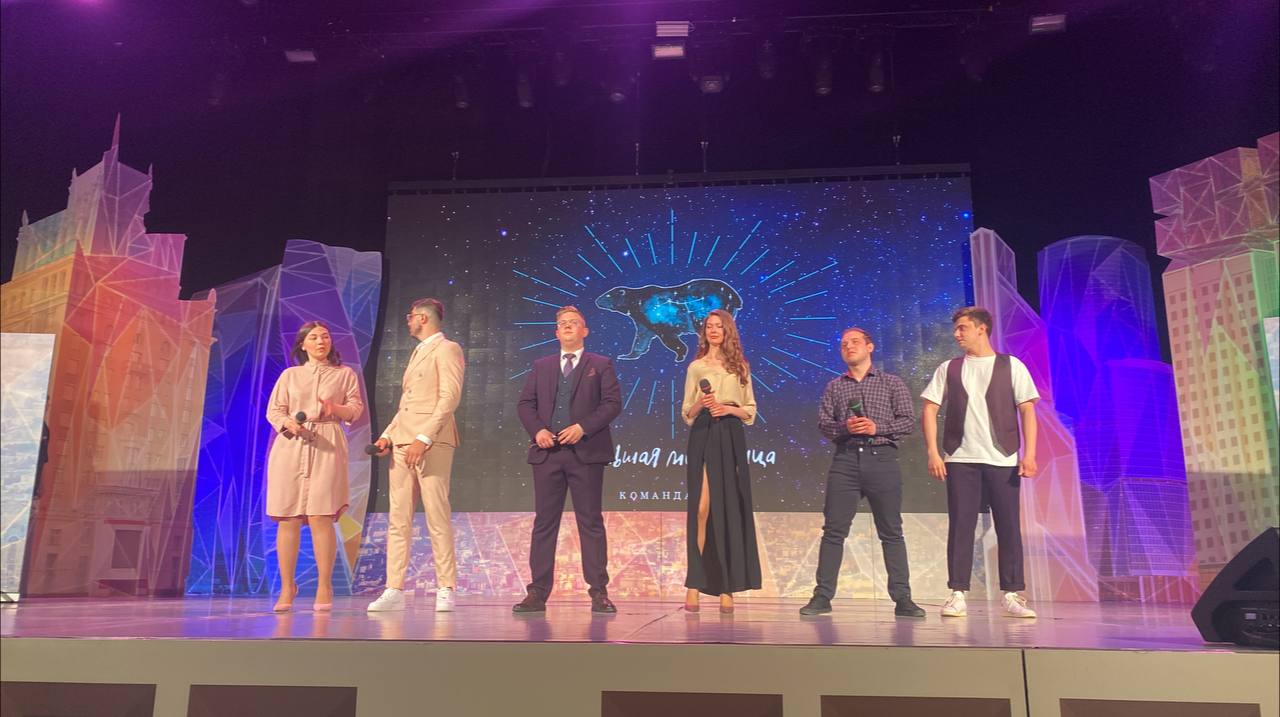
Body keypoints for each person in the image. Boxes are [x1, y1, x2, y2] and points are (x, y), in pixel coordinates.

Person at [921, 307, 1040, 619]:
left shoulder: (1011, 365)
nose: (957, 334)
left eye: (962, 328)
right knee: (961, 524)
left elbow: (1027, 409)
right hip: (961, 457)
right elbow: (930, 408)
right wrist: (933, 451)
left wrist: (1029, 454)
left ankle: (1011, 594)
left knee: (1008, 526)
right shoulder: (949, 368)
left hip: (1002, 457)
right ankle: (957, 593)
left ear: (981, 329)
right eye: (956, 329)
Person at [799, 328, 925, 617]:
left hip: (882, 459)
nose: (848, 347)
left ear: (870, 347)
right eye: (844, 344)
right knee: (833, 531)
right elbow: (824, 424)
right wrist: (845, 427)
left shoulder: (891, 382)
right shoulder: (835, 386)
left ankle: (903, 599)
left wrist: (876, 428)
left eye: (855, 342)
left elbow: (908, 421)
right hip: (845, 460)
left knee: (891, 531)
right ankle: (822, 596)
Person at [513, 306, 622, 614]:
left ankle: (598, 591)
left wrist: (582, 427)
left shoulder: (600, 364)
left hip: (586, 454)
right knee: (544, 523)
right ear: (556, 332)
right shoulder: (541, 366)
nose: (568, 326)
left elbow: (612, 403)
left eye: (574, 323)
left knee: (590, 521)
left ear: (584, 331)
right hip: (548, 454)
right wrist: (538, 431)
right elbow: (525, 404)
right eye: (563, 323)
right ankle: (537, 593)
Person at [366, 298, 465, 613]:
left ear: (422, 318)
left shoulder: (447, 349)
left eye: (410, 317)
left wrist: (425, 437)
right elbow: (407, 404)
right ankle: (394, 588)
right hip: (402, 441)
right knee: (398, 519)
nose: (407, 321)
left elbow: (449, 397)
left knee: (436, 514)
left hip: (431, 441)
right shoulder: (418, 351)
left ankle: (446, 587)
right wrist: (387, 435)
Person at [265, 321, 364, 612]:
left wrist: (335, 409)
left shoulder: (344, 374)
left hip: (327, 443)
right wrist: (288, 424)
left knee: (321, 515)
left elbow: (355, 409)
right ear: (303, 344)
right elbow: (274, 410)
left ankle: (324, 585)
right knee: (289, 517)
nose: (321, 341)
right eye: (314, 337)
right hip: (291, 447)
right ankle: (287, 587)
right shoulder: (290, 375)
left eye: (325, 337)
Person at [680, 309, 761, 614]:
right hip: (703, 433)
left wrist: (728, 409)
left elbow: (750, 410)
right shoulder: (696, 366)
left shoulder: (740, 366)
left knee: (727, 509)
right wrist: (702, 403)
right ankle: (694, 584)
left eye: (719, 326)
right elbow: (686, 412)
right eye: (709, 326)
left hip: (729, 433)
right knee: (701, 509)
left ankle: (727, 587)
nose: (713, 330)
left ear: (728, 331)